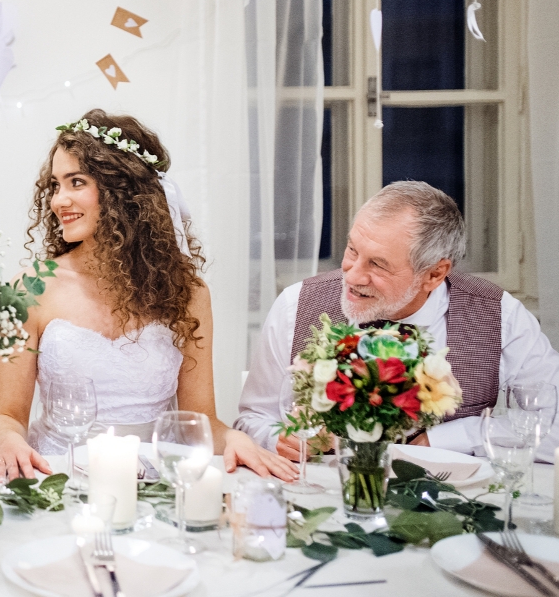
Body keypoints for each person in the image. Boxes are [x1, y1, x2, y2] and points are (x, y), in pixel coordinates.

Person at [0, 111, 295, 481]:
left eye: (76, 182)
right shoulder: (31, 288)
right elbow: (8, 415)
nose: (59, 200)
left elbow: (200, 420)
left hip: (154, 479)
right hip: (57, 473)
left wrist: (234, 438)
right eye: (55, 185)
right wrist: (9, 441)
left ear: (123, 193)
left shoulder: (189, 295)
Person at [237, 181, 559, 458]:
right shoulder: (295, 304)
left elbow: (554, 424)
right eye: (352, 250)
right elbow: (252, 419)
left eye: (377, 264)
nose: (352, 274)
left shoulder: (499, 316)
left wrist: (456, 437)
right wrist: (277, 439)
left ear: (434, 273)